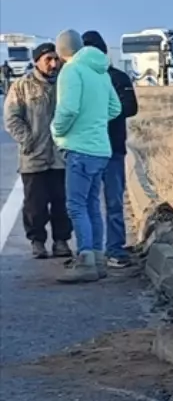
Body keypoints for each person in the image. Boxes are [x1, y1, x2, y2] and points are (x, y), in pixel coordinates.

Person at [51, 29, 120, 283]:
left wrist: (57, 130)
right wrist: (95, 119)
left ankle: (85, 260)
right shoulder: (100, 70)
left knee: (76, 206)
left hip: (79, 148)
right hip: (101, 148)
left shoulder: (71, 70)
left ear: (61, 50)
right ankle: (98, 259)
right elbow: (115, 107)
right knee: (92, 205)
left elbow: (68, 109)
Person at [3, 42, 73, 260]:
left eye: (55, 59)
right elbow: (12, 118)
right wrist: (28, 140)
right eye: (47, 60)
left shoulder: (66, 83)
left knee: (62, 202)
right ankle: (38, 242)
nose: (53, 64)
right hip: (33, 157)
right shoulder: (22, 86)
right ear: (37, 62)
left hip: (61, 157)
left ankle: (61, 241)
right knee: (35, 205)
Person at [81, 31, 139, 269]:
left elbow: (131, 107)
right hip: (86, 149)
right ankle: (90, 250)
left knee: (114, 202)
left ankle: (115, 249)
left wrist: (101, 112)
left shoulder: (118, 77)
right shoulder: (78, 78)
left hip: (113, 148)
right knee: (86, 203)